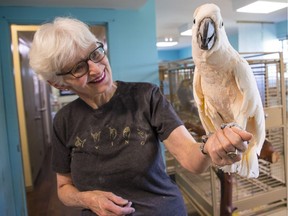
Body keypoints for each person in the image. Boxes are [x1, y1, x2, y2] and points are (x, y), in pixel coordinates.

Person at [29, 17, 252, 216]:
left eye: (95, 54)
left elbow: (192, 160)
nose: (96, 69)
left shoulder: (146, 96)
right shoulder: (64, 121)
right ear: (57, 82)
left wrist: (209, 145)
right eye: (78, 68)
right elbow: (63, 188)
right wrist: (87, 199)